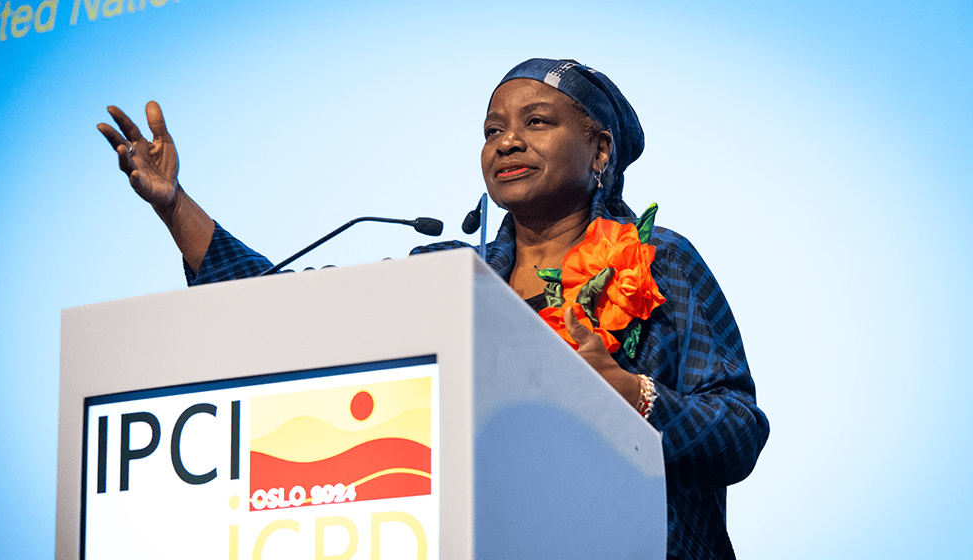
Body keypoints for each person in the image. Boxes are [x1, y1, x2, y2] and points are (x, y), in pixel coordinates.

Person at [99, 58, 769, 560]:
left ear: (599, 151)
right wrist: (174, 204)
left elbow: (738, 428)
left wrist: (633, 395)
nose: (506, 142)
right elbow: (288, 313)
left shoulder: (661, 258)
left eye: (536, 122)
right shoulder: (446, 278)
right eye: (492, 129)